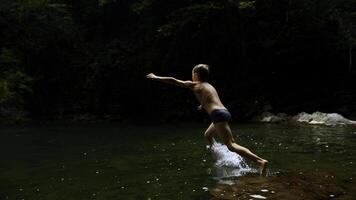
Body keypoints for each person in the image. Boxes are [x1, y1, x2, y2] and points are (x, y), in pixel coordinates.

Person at [146, 64, 268, 174]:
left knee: (231, 145)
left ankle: (260, 161)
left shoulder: (196, 85)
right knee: (208, 135)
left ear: (195, 75)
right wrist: (203, 105)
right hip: (222, 112)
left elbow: (173, 81)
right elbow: (210, 99)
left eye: (192, 74)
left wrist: (155, 77)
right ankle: (221, 155)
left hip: (218, 115)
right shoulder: (208, 86)